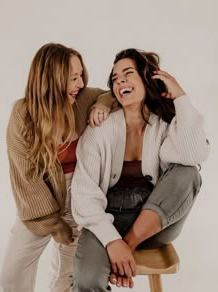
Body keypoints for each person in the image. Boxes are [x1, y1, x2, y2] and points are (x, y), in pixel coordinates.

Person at [71, 48, 210, 291]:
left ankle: (130, 243)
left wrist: (180, 97)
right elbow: (84, 194)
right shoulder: (99, 129)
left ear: (147, 80)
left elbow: (195, 154)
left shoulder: (164, 127)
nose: (120, 81)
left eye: (128, 73)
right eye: (115, 79)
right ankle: (121, 245)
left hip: (156, 224)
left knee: (188, 173)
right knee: (86, 281)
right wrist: (111, 240)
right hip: (107, 220)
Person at [0, 43, 115, 292]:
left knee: (66, 274)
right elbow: (26, 176)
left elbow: (110, 93)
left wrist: (102, 104)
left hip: (79, 194)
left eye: (81, 76)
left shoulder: (82, 99)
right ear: (52, 79)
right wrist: (53, 223)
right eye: (73, 78)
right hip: (39, 200)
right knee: (13, 274)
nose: (81, 83)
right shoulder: (23, 114)